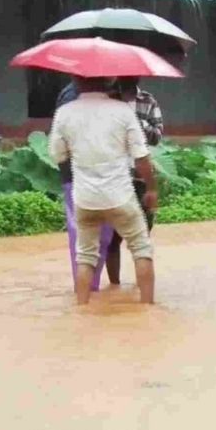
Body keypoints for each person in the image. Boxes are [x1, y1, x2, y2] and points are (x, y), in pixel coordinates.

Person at [49, 77, 158, 305]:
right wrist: (151, 188)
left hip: (85, 199)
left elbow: (58, 155)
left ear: (77, 82)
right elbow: (141, 157)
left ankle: (82, 308)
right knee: (141, 249)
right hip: (120, 196)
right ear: (108, 81)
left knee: (85, 257)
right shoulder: (122, 111)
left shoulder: (64, 113)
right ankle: (148, 308)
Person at [55, 82, 116, 292]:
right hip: (79, 173)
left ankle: (90, 287)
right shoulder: (70, 96)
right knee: (84, 231)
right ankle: (86, 287)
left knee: (102, 232)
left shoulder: (107, 94)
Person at [104, 77, 162, 286]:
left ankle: (141, 288)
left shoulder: (148, 100)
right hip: (114, 177)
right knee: (112, 238)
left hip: (140, 176)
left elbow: (157, 136)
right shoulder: (107, 101)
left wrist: (136, 122)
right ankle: (115, 286)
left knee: (142, 237)